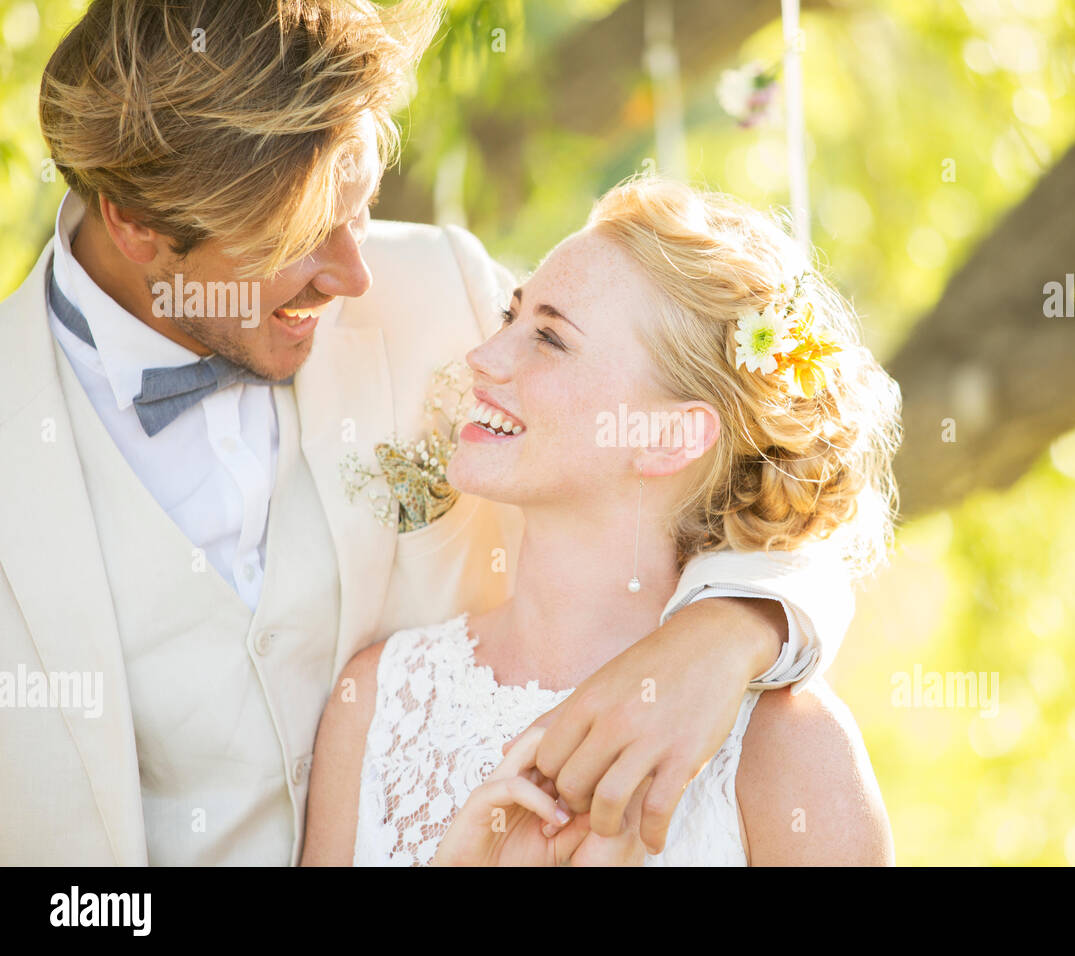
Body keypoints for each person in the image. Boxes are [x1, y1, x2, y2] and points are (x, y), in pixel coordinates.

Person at [0, 0, 858, 865]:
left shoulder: (440, 292)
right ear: (135, 225)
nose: (353, 274)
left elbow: (754, 459)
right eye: (297, 238)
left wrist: (732, 631)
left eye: (361, 207)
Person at [303, 178, 902, 865]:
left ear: (668, 438)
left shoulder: (790, 749)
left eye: (551, 339)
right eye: (511, 316)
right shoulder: (378, 704)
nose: (484, 358)